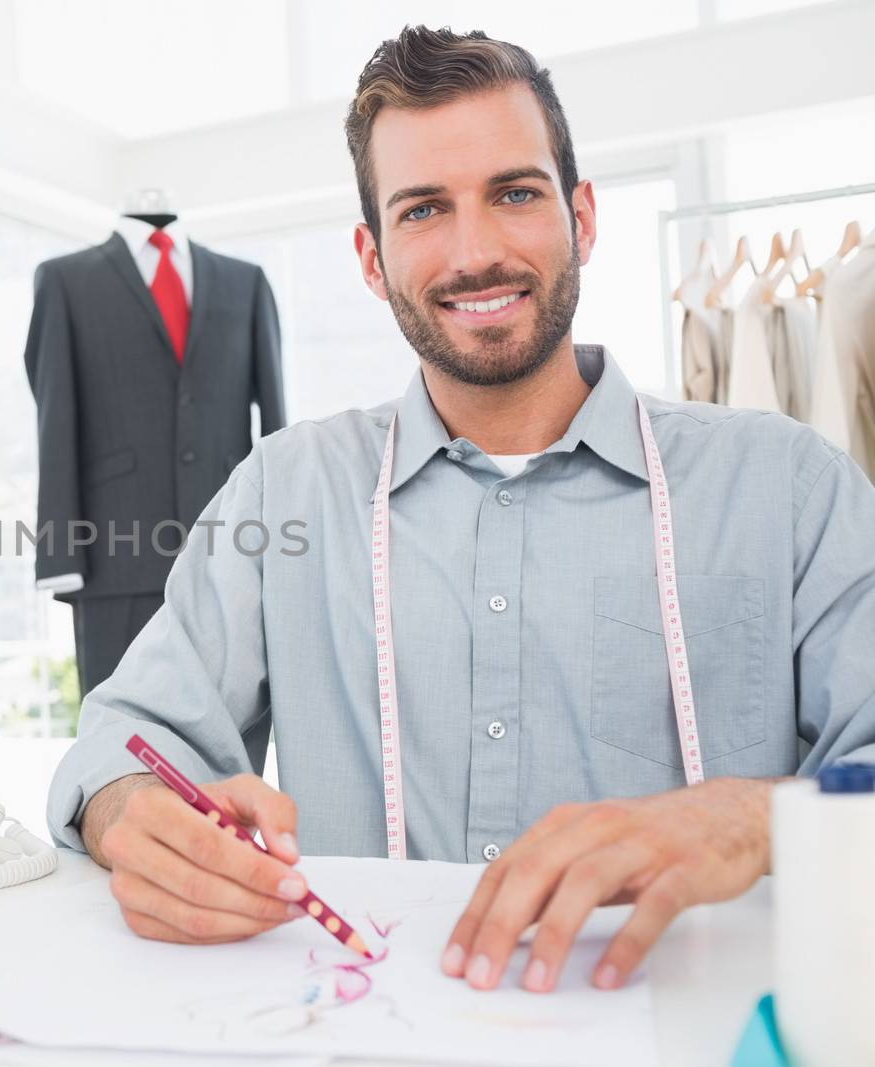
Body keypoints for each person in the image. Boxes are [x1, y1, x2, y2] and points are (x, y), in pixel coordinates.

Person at [45, 25, 875, 996]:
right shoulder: (283, 494)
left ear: (584, 216)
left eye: (514, 193)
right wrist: (128, 814)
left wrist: (751, 815)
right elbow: (121, 742)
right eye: (424, 209)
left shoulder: (784, 487)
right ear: (369, 255)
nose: (474, 252)